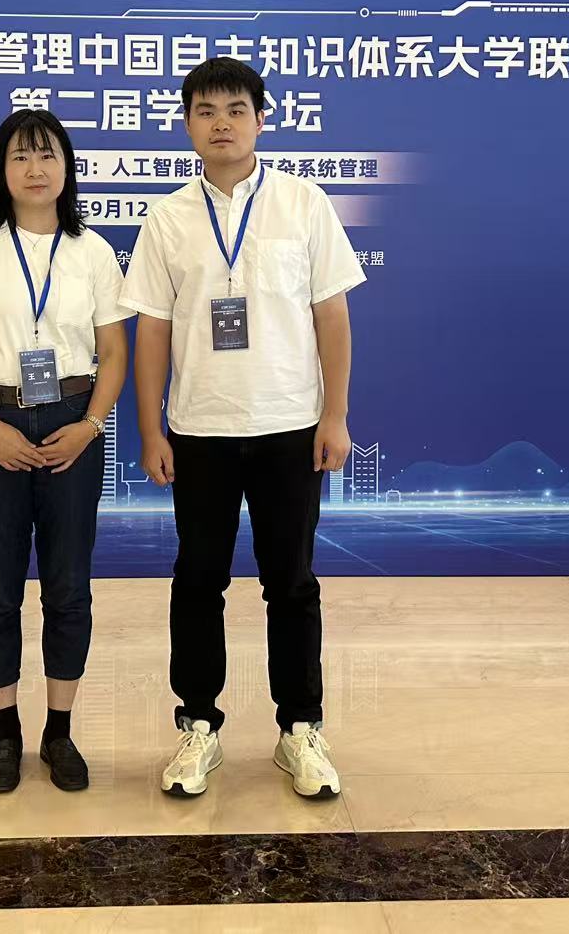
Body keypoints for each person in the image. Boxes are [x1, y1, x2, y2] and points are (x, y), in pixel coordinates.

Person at [121, 57, 364, 800]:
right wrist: (152, 431)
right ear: (186, 124)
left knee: (291, 583)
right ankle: (199, 725)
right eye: (205, 111)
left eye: (235, 109)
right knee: (198, 581)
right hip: (199, 429)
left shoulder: (303, 203)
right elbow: (152, 331)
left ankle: (301, 730)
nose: (221, 123)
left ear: (262, 118)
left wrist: (335, 416)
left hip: (290, 424)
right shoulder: (167, 218)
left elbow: (332, 316)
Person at [0, 109, 130, 795]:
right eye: (20, 157)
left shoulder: (92, 250)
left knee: (69, 585)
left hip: (73, 422)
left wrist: (91, 424)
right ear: (0, 169)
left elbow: (114, 351)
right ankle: (6, 732)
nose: (35, 169)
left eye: (47, 155)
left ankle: (59, 732)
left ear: (67, 167)